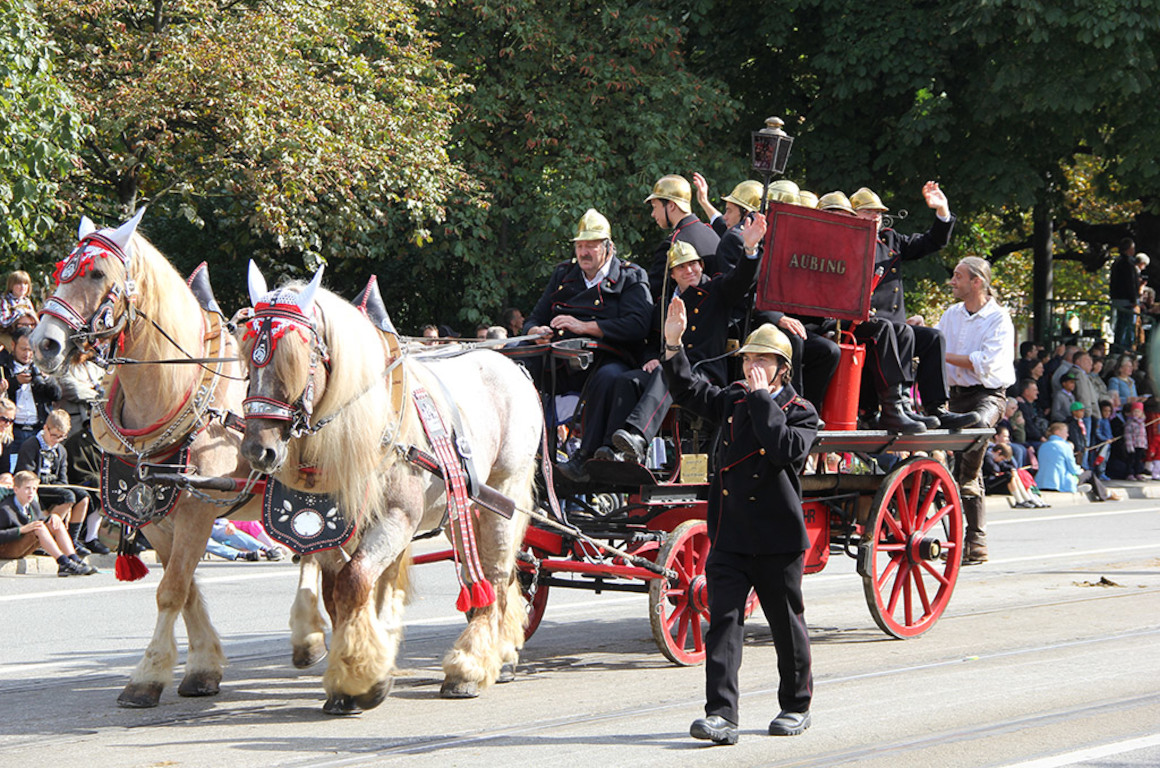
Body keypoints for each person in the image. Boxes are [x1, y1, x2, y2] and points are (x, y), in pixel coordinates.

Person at [662, 303, 817, 745]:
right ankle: (721, 715)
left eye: (762, 360)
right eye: (749, 359)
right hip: (730, 533)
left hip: (776, 537)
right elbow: (690, 391)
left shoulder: (800, 411)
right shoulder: (731, 398)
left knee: (786, 625)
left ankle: (796, 705)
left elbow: (785, 447)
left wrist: (763, 399)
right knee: (723, 625)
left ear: (782, 369)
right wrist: (674, 344)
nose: (752, 367)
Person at [600, 217, 766, 463]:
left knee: (668, 373)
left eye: (694, 265)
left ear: (701, 266)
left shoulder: (716, 290)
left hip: (704, 370)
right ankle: (613, 449)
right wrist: (650, 359)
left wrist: (750, 249)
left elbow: (741, 279)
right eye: (682, 267)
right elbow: (652, 341)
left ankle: (638, 438)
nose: (689, 271)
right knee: (628, 380)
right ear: (673, 274)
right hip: (672, 366)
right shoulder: (665, 303)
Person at [522, 208, 652, 481]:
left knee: (608, 378)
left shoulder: (631, 276)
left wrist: (584, 327)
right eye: (580, 246)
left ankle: (587, 458)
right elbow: (534, 317)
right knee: (521, 367)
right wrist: (536, 330)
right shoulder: (563, 275)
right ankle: (528, 454)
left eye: (591, 246)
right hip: (560, 361)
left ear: (608, 247)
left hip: (610, 358)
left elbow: (637, 325)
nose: (584, 252)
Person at [852, 184, 976, 430]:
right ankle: (894, 409)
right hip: (863, 325)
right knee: (898, 331)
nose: (875, 217)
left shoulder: (890, 239)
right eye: (868, 212)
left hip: (894, 329)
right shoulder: (845, 243)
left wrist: (942, 210)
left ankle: (935, 408)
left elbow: (932, 241)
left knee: (933, 338)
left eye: (878, 212)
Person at [935, 256, 1016, 565]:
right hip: (954, 397)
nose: (952, 281)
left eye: (958, 276)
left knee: (976, 433)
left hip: (989, 396)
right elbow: (937, 347)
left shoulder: (998, 319)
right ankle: (971, 540)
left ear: (977, 282)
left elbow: (983, 362)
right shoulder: (951, 314)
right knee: (952, 457)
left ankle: (975, 539)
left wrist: (941, 353)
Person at [15, 410, 93, 557]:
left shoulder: (61, 450)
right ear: (46, 428)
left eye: (61, 436)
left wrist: (59, 484)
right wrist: (50, 482)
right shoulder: (31, 445)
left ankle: (72, 540)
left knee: (83, 496)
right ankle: (45, 539)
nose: (57, 440)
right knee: (68, 497)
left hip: (54, 487)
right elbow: (26, 474)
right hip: (37, 487)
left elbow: (63, 478)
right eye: (54, 435)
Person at [0, 471, 96, 576]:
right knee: (39, 527)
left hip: (22, 546)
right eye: (27, 488)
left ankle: (74, 559)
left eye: (34, 489)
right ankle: (63, 562)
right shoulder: (5, 509)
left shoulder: (32, 504)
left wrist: (53, 517)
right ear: (16, 489)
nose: (31, 492)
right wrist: (21, 530)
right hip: (6, 549)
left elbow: (43, 520)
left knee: (55, 521)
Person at [644, 175, 723, 301]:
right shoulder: (710, 231)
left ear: (671, 205)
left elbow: (653, 293)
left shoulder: (673, 243)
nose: (653, 214)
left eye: (655, 207)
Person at [0, 327, 61, 472]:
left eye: (30, 350)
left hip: (38, 427)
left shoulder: (41, 365)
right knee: (11, 471)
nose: (27, 354)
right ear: (13, 346)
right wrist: (15, 382)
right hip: (13, 429)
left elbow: (57, 395)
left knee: (36, 471)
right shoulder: (4, 366)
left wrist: (46, 378)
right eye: (23, 349)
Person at [1035, 422, 1111, 501]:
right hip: (1060, 483)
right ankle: (1104, 494)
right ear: (1057, 432)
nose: (1067, 435)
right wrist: (1080, 470)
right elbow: (1073, 469)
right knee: (1089, 474)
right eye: (1066, 432)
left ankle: (1099, 491)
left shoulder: (1043, 446)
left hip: (1041, 483)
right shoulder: (1064, 446)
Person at [1109, 238, 1140, 350]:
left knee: (1121, 325)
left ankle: (1119, 346)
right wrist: (1133, 299)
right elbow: (1129, 282)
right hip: (1126, 299)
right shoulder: (1127, 263)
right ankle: (1123, 348)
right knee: (1126, 325)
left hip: (1118, 298)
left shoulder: (1117, 262)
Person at [1122, 401, 1148, 480]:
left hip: (1140, 444)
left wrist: (1145, 444)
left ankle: (1138, 473)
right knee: (1131, 460)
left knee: (1138, 460)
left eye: (1138, 411)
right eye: (1134, 411)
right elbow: (1128, 435)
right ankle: (1129, 473)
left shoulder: (1142, 423)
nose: (1136, 413)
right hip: (1133, 444)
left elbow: (1144, 434)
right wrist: (1129, 445)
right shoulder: (1130, 423)